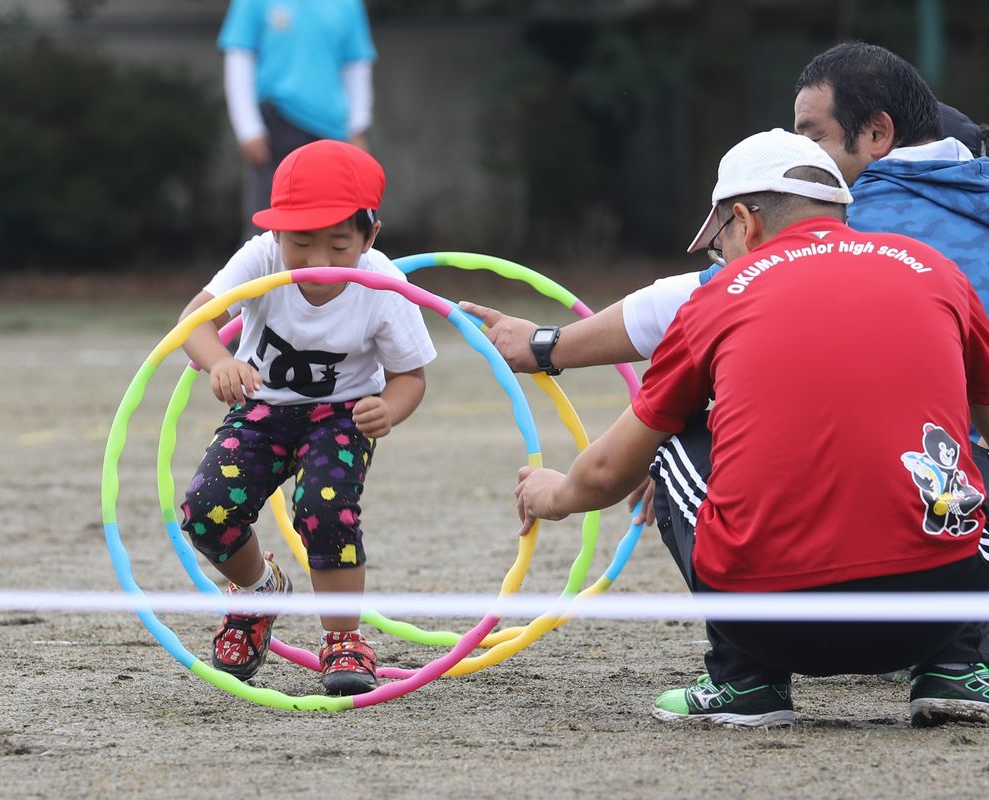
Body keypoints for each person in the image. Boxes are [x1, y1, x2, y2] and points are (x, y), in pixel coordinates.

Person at [514, 128, 989, 728]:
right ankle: (956, 667)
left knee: (673, 437)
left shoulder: (718, 297)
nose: (722, 257)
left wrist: (551, 493)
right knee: (968, 451)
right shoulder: (936, 271)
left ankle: (745, 681)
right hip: (938, 604)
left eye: (720, 243)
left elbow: (610, 469)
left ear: (745, 220)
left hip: (774, 625)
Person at [462, 43, 989, 373]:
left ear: (878, 133)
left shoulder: (858, 226)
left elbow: (700, 302)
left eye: (813, 136)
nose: (802, 154)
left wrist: (547, 345)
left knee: (678, 438)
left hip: (921, 483)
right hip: (965, 483)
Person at [177, 139, 436, 695]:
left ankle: (344, 638)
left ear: (370, 236)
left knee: (323, 507)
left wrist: (387, 409)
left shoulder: (386, 288)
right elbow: (194, 321)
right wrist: (220, 360)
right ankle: (257, 593)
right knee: (204, 511)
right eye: (300, 243)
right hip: (262, 410)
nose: (317, 263)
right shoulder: (259, 259)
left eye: (339, 245)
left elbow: (411, 377)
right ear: (276, 234)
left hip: (342, 417)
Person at [218, 0, 377, 240]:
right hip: (276, 127)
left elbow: (356, 65)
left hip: (331, 133)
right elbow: (239, 58)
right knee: (267, 226)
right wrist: (247, 128)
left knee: (335, 227)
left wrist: (357, 128)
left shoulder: (348, 4)